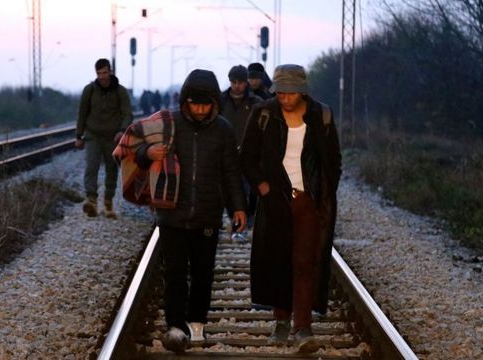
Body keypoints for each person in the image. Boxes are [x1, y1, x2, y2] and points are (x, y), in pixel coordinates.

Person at [122, 69, 247, 354]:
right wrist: (147, 155)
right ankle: (176, 326)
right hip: (172, 213)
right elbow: (136, 151)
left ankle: (198, 323)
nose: (200, 110)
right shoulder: (167, 124)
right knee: (175, 272)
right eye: (195, 104)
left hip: (207, 213)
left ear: (214, 102)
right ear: (185, 102)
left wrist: (237, 207)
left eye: (205, 104)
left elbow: (230, 173)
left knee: (203, 272)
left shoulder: (224, 130)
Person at [239, 64, 341, 353]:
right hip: (275, 202)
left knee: (305, 263)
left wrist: (325, 193)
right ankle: (281, 321)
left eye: (290, 93)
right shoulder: (264, 113)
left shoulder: (320, 114)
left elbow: (333, 160)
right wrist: (263, 187)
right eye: (279, 92)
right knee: (277, 261)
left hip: (308, 202)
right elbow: (246, 157)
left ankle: (303, 327)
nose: (283, 98)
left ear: (302, 92)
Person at [76, 58, 133, 218]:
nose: (102, 77)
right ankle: (91, 200)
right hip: (93, 135)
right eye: (99, 73)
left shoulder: (120, 91)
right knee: (91, 166)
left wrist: (123, 130)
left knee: (112, 169)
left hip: (113, 137)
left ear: (111, 71)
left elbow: (127, 113)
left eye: (105, 72)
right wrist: (78, 135)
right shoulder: (90, 90)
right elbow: (82, 113)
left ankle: (108, 201)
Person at [219, 64, 262, 242]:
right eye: (234, 82)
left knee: (247, 190)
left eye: (241, 82)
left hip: (248, 154)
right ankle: (235, 224)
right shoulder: (220, 102)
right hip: (224, 154)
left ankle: (243, 226)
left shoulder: (256, 103)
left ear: (246, 83)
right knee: (227, 190)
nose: (237, 86)